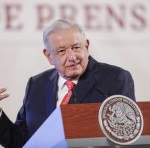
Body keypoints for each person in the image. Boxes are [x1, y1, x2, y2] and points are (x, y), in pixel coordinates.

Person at [0, 19, 135, 148]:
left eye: (76, 47)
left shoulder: (115, 78)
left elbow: (125, 134)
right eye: (62, 51)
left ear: (86, 46)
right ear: (48, 56)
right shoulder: (36, 85)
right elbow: (21, 142)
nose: (72, 57)